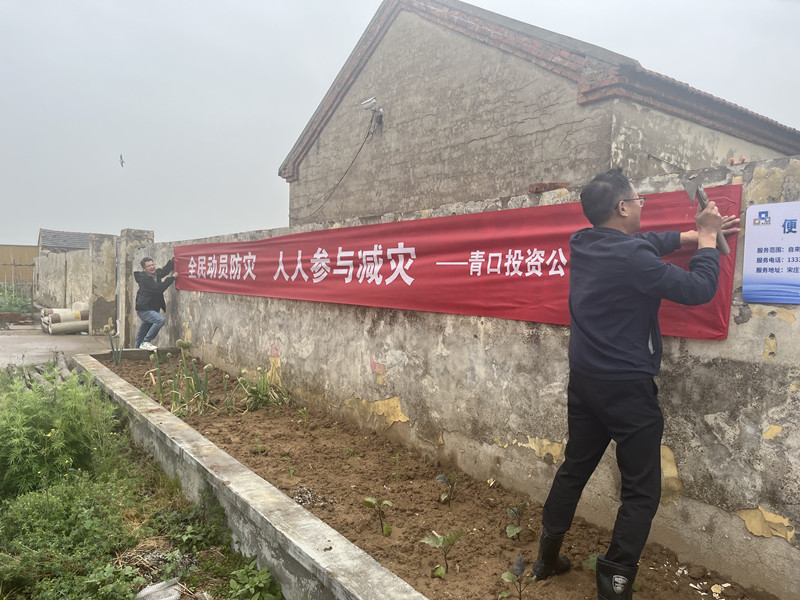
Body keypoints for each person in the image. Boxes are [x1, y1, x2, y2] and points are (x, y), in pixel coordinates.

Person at [530, 169, 739, 599]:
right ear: (622, 207)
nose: (643, 205)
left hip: (585, 381)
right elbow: (699, 289)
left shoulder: (584, 242)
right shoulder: (631, 256)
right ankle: (615, 584)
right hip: (626, 387)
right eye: (638, 199)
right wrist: (705, 240)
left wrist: (689, 235)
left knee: (574, 468)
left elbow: (643, 244)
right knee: (641, 491)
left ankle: (545, 559)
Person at [134, 257, 178, 350]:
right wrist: (172, 278)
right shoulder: (144, 279)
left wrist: (171, 262)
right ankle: (146, 341)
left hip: (151, 308)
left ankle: (135, 351)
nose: (152, 267)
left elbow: (163, 271)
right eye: (149, 266)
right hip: (144, 309)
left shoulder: (155, 274)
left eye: (152, 265)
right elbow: (159, 288)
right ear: (144, 269)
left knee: (142, 333)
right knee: (159, 320)